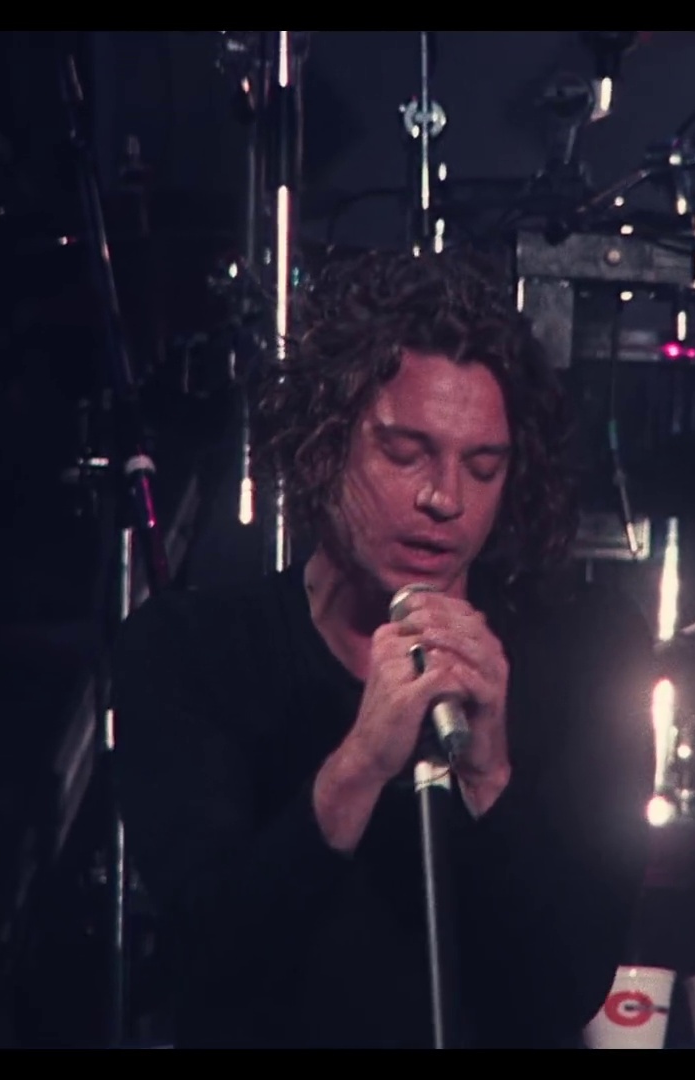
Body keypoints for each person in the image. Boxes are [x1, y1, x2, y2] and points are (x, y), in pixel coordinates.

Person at [112, 248, 658, 1048]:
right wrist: (361, 764)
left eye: (483, 467)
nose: (444, 498)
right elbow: (215, 962)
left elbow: (565, 986)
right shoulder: (193, 651)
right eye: (405, 454)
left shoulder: (584, 654)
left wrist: (489, 778)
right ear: (323, 443)